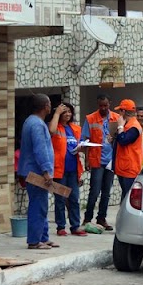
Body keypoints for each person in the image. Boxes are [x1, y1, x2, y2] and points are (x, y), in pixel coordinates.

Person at [17, 94, 59, 250]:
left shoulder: (32, 121)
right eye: (49, 104)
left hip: (33, 171)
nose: (50, 107)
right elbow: (40, 149)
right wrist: (47, 171)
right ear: (45, 106)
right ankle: (34, 241)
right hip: (36, 173)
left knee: (42, 205)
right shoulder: (36, 125)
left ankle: (43, 237)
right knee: (38, 205)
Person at [48, 103, 87, 237]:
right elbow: (51, 132)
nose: (68, 114)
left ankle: (75, 226)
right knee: (59, 199)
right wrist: (56, 114)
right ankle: (60, 227)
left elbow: (80, 144)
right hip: (59, 170)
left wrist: (82, 147)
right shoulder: (55, 127)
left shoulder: (75, 128)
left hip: (73, 170)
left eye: (69, 112)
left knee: (74, 199)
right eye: (65, 112)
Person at [82, 94, 119, 230]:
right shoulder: (91, 119)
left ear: (110, 103)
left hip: (110, 161)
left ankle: (101, 218)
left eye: (105, 105)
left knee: (106, 192)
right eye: (100, 106)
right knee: (94, 191)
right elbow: (85, 141)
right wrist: (86, 160)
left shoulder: (116, 118)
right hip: (97, 161)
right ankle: (87, 218)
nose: (103, 108)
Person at [113, 99, 143, 202]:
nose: (118, 114)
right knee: (126, 198)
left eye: (120, 111)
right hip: (124, 167)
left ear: (124, 112)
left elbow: (123, 141)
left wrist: (120, 126)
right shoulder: (128, 125)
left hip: (129, 169)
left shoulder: (134, 127)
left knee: (128, 199)